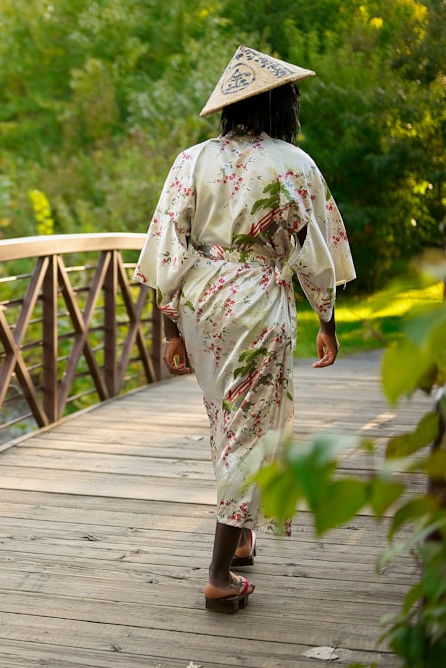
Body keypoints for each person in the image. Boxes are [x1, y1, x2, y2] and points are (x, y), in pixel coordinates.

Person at [133, 45, 356, 613]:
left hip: (203, 302)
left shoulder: (192, 160)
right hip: (259, 303)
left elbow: (167, 246)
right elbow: (315, 248)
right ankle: (217, 574)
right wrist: (326, 319)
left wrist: (171, 331)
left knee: (229, 421)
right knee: (250, 429)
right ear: (279, 104)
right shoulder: (293, 163)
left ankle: (243, 533)